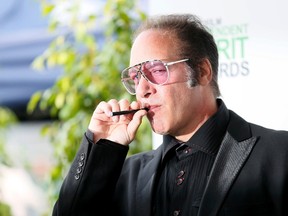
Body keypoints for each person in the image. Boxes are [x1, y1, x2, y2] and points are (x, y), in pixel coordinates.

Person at [52, 14, 288, 216]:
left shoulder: (279, 153)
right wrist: (102, 147)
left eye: (155, 71)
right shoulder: (126, 175)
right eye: (135, 77)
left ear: (203, 72)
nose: (143, 89)